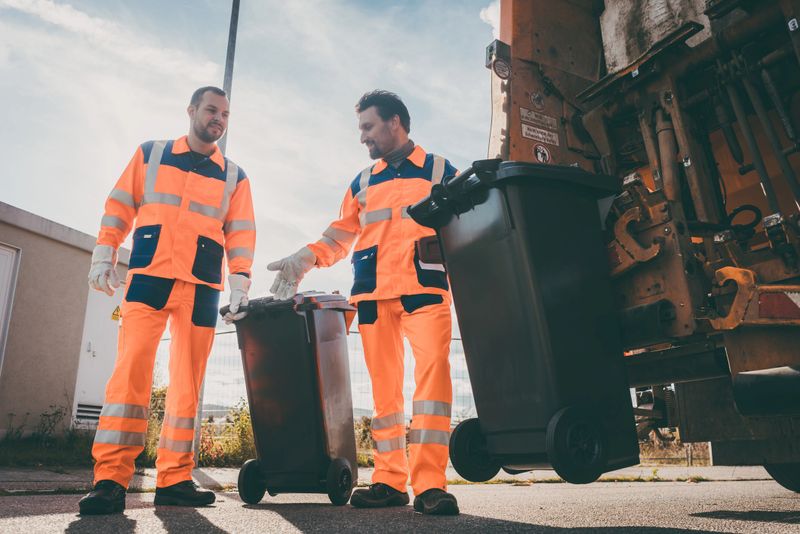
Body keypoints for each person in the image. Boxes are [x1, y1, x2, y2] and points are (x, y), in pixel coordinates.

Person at [268, 90, 459, 515]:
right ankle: (390, 481)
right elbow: (340, 235)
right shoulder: (362, 181)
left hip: (423, 291)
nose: (363, 138)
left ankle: (430, 485)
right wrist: (307, 257)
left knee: (432, 388)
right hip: (373, 297)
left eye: (368, 127)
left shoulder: (441, 171)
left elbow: (468, 229)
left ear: (395, 123)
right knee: (385, 394)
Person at [78, 86, 256, 515]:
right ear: (192, 110)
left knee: (187, 385)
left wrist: (241, 283)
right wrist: (105, 252)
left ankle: (175, 478)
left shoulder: (235, 176)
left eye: (226, 114)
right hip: (149, 276)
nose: (219, 119)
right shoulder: (151, 154)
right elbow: (119, 205)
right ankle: (111, 480)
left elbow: (241, 233)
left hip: (201, 284)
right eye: (212, 110)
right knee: (129, 378)